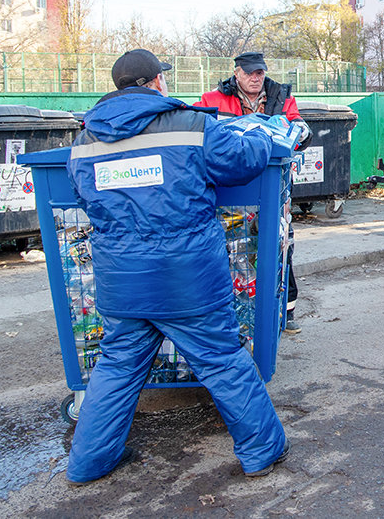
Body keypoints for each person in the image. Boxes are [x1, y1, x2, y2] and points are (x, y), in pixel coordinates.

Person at [65, 49, 290, 485]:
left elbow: (84, 196)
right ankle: (263, 451)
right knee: (222, 360)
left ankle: (88, 462)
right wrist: (265, 137)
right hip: (187, 278)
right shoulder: (191, 124)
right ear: (154, 84)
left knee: (117, 366)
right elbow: (241, 160)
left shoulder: (84, 140)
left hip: (122, 281)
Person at [199, 52, 310, 334]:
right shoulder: (213, 100)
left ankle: (286, 311)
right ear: (236, 73)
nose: (255, 78)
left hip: (274, 184)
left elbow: (299, 128)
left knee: (280, 243)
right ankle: (237, 311)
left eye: (259, 72)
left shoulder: (281, 97)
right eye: (249, 72)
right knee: (234, 246)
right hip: (232, 186)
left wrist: (300, 131)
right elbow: (197, 126)